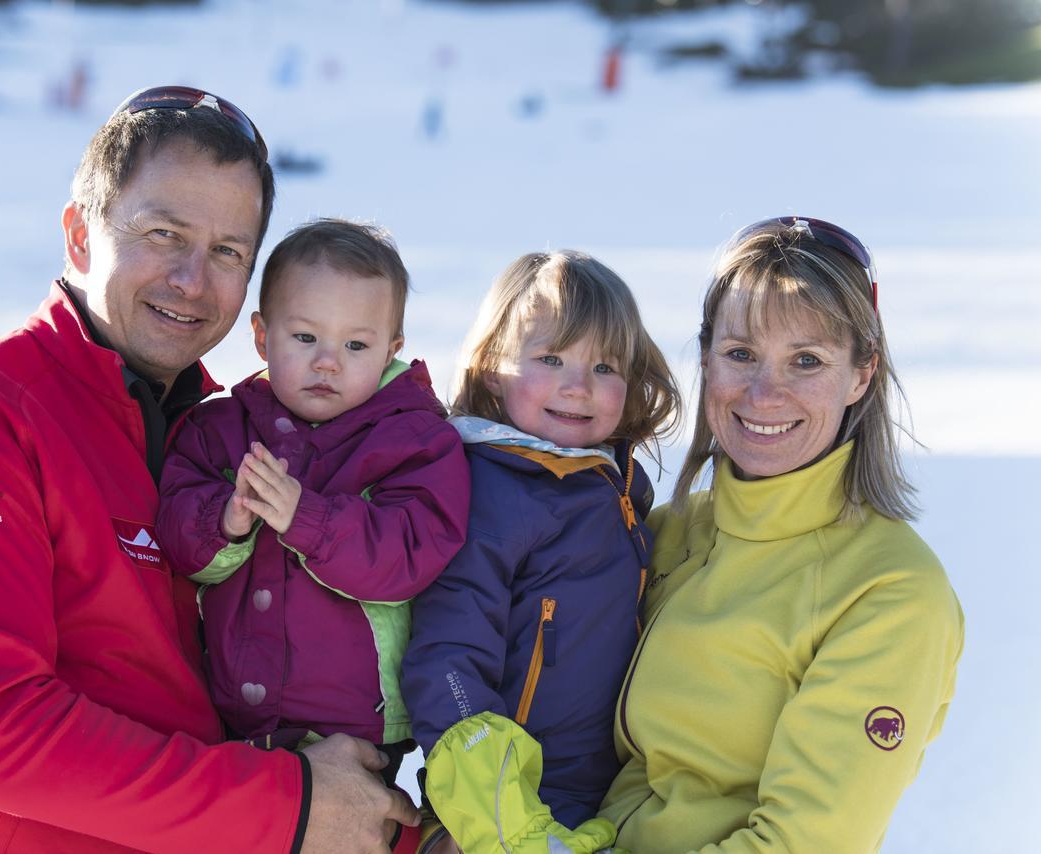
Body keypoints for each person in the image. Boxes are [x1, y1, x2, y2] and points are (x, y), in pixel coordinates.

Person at [0, 86, 419, 853]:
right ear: (80, 235)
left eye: (227, 252)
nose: (192, 278)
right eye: (163, 233)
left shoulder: (228, 440)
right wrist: (286, 804)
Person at [599, 216, 965, 852]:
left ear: (861, 375)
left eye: (807, 361)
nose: (765, 393)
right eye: (740, 354)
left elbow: (802, 844)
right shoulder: (666, 531)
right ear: (706, 357)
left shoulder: (891, 592)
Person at [155, 218, 471, 834]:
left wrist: (308, 518)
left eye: (356, 346)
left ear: (391, 347)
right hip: (231, 718)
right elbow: (176, 528)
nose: (328, 363)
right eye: (305, 337)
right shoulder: (218, 428)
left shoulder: (416, 440)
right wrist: (227, 520)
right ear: (262, 335)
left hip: (356, 725)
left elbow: (408, 555)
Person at [402, 251, 681, 854]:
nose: (578, 386)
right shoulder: (488, 493)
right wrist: (495, 819)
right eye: (551, 358)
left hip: (603, 801)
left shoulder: (616, 490)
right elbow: (448, 659)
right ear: (492, 369)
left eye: (604, 366)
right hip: (506, 812)